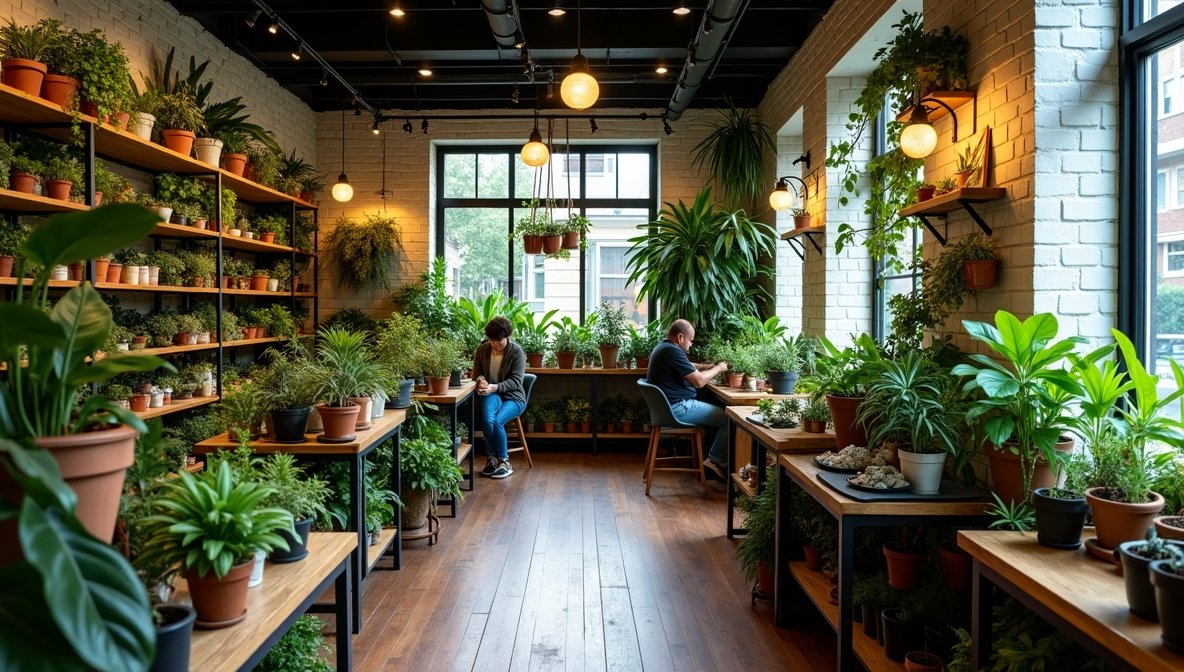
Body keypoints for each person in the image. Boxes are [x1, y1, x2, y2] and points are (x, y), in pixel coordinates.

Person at [646, 319, 730, 479]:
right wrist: (719, 368)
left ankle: (713, 459)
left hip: (666, 409)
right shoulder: (673, 351)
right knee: (728, 418)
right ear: (680, 337)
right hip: (678, 408)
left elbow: (685, 364)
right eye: (690, 340)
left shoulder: (663, 347)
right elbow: (699, 382)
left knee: (716, 412)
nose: (691, 345)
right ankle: (715, 460)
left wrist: (701, 367)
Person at [473, 316, 527, 479]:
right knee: (488, 419)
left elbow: (516, 381)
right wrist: (481, 381)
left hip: (513, 397)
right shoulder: (482, 350)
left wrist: (494, 387)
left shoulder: (516, 351)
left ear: (507, 337)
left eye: (500, 341)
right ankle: (491, 460)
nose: (496, 345)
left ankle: (504, 461)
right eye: (492, 341)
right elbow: (477, 374)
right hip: (491, 393)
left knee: (497, 421)